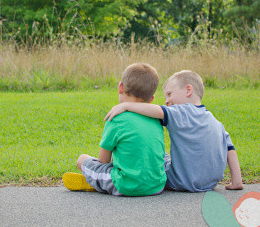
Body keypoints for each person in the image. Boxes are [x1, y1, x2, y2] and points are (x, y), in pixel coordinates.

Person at [104, 70, 243, 192]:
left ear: (188, 90)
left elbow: (158, 111)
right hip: (210, 183)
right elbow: (230, 150)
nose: (167, 101)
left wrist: (127, 105)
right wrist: (237, 181)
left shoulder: (182, 113)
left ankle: (117, 167)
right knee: (164, 155)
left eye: (169, 94)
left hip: (181, 181)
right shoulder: (216, 122)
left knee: (154, 156)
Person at [62, 63, 166, 196]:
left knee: (82, 159)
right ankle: (99, 182)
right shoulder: (155, 119)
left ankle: (95, 182)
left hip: (127, 186)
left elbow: (103, 161)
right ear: (151, 99)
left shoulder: (116, 118)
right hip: (157, 185)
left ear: (120, 87)